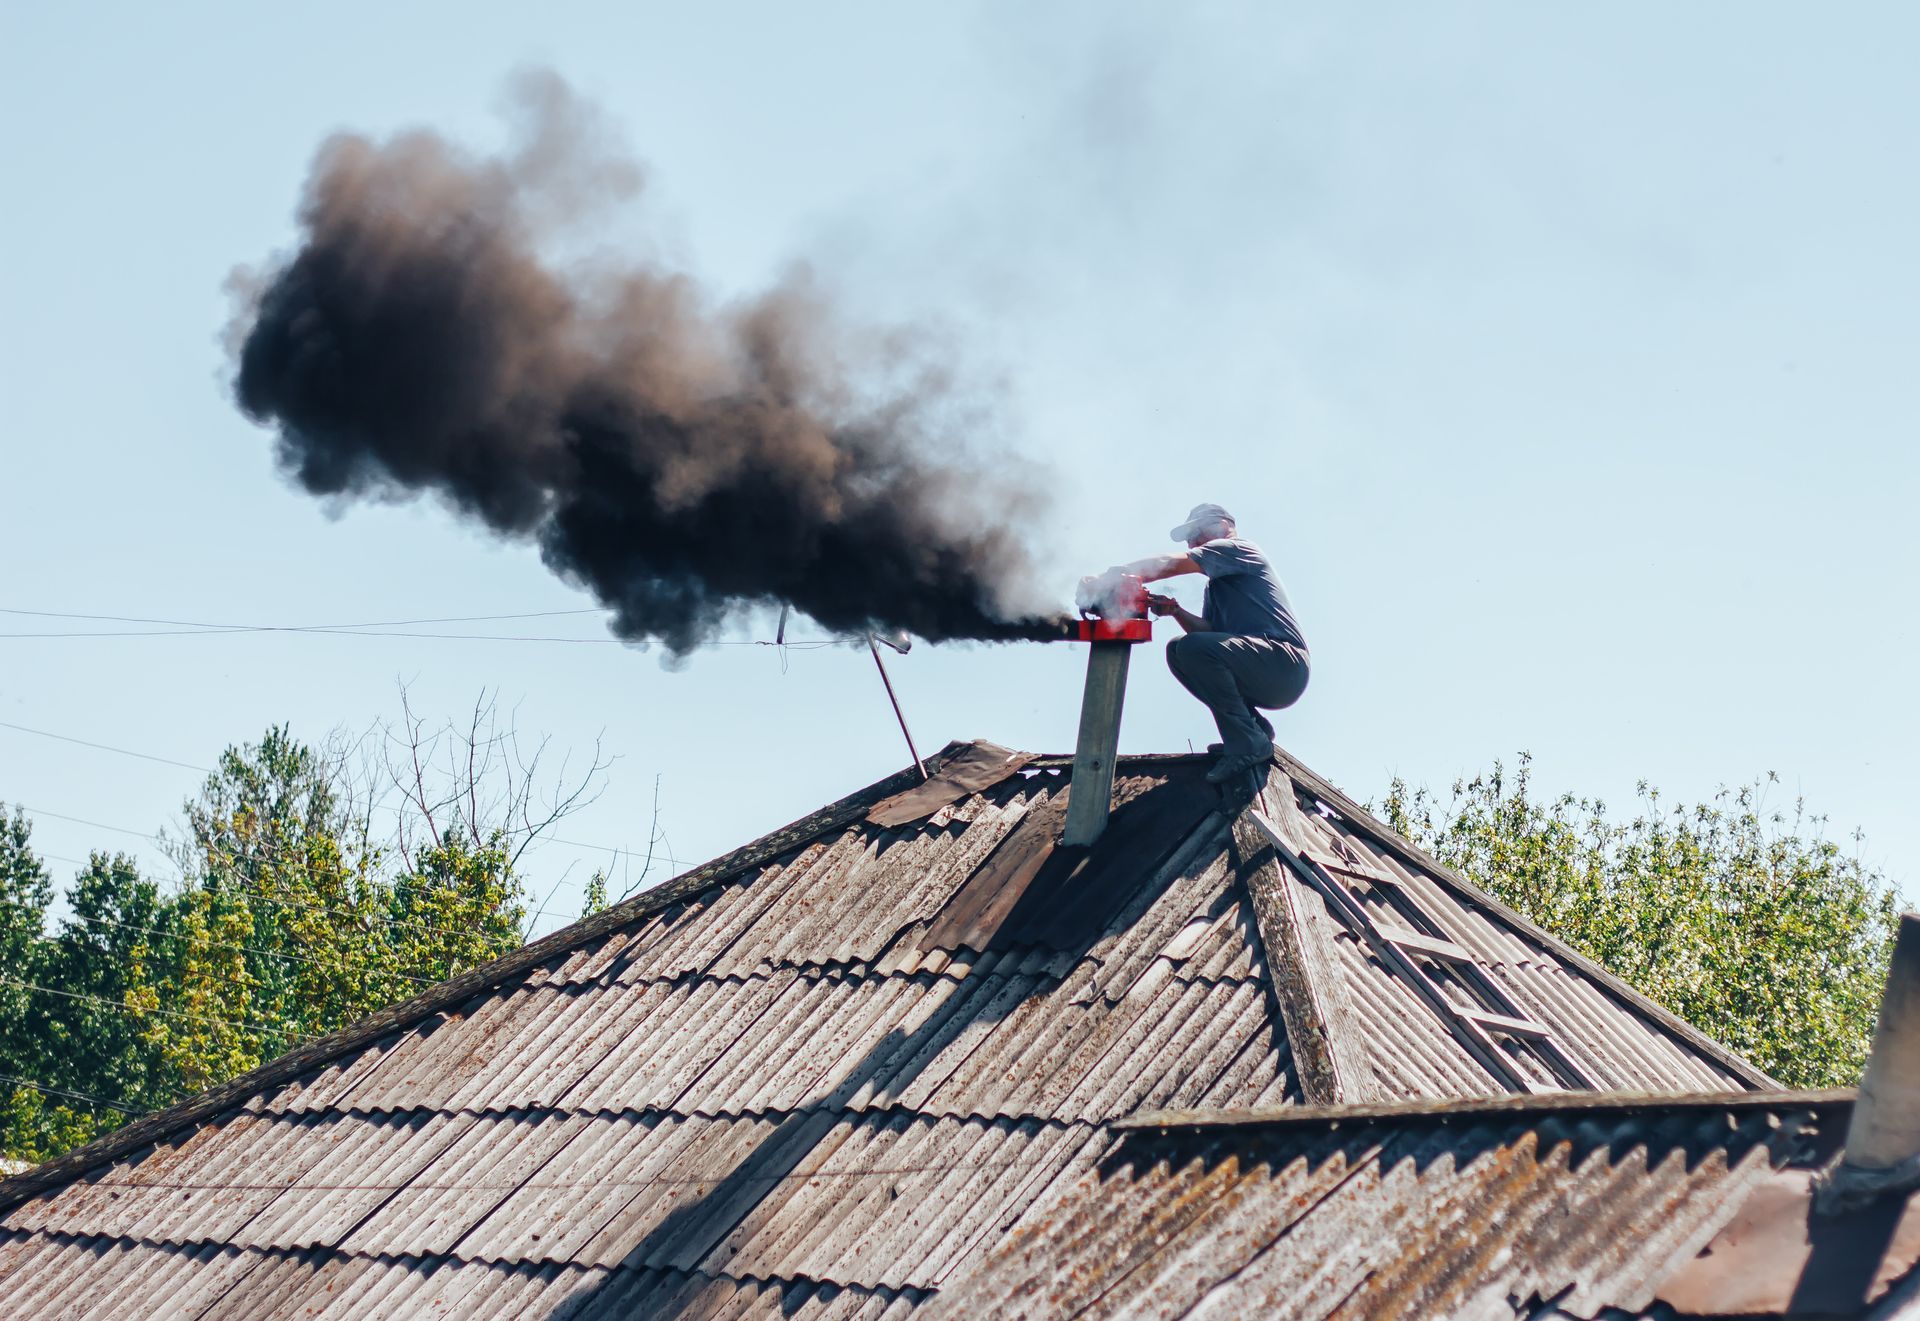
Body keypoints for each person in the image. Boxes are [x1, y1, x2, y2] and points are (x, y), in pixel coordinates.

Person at [1088, 503, 1309, 787]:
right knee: (1179, 650)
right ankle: (1252, 731)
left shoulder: (1238, 548)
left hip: (1284, 663)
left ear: (1222, 525)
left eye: (1195, 533)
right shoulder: (1216, 586)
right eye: (1189, 539)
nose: (1192, 542)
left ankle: (1247, 742)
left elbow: (1171, 563)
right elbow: (1211, 633)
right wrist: (1176, 611)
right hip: (1268, 668)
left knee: (1193, 648)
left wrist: (1114, 575)